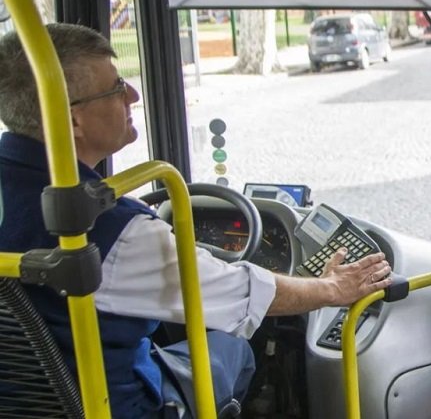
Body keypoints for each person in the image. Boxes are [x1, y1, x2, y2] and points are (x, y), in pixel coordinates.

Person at [0, 23, 392, 418]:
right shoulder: (114, 234)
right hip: (117, 406)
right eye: (117, 87)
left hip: (26, 402)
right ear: (73, 122)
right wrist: (330, 288)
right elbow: (244, 295)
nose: (133, 94)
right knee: (233, 346)